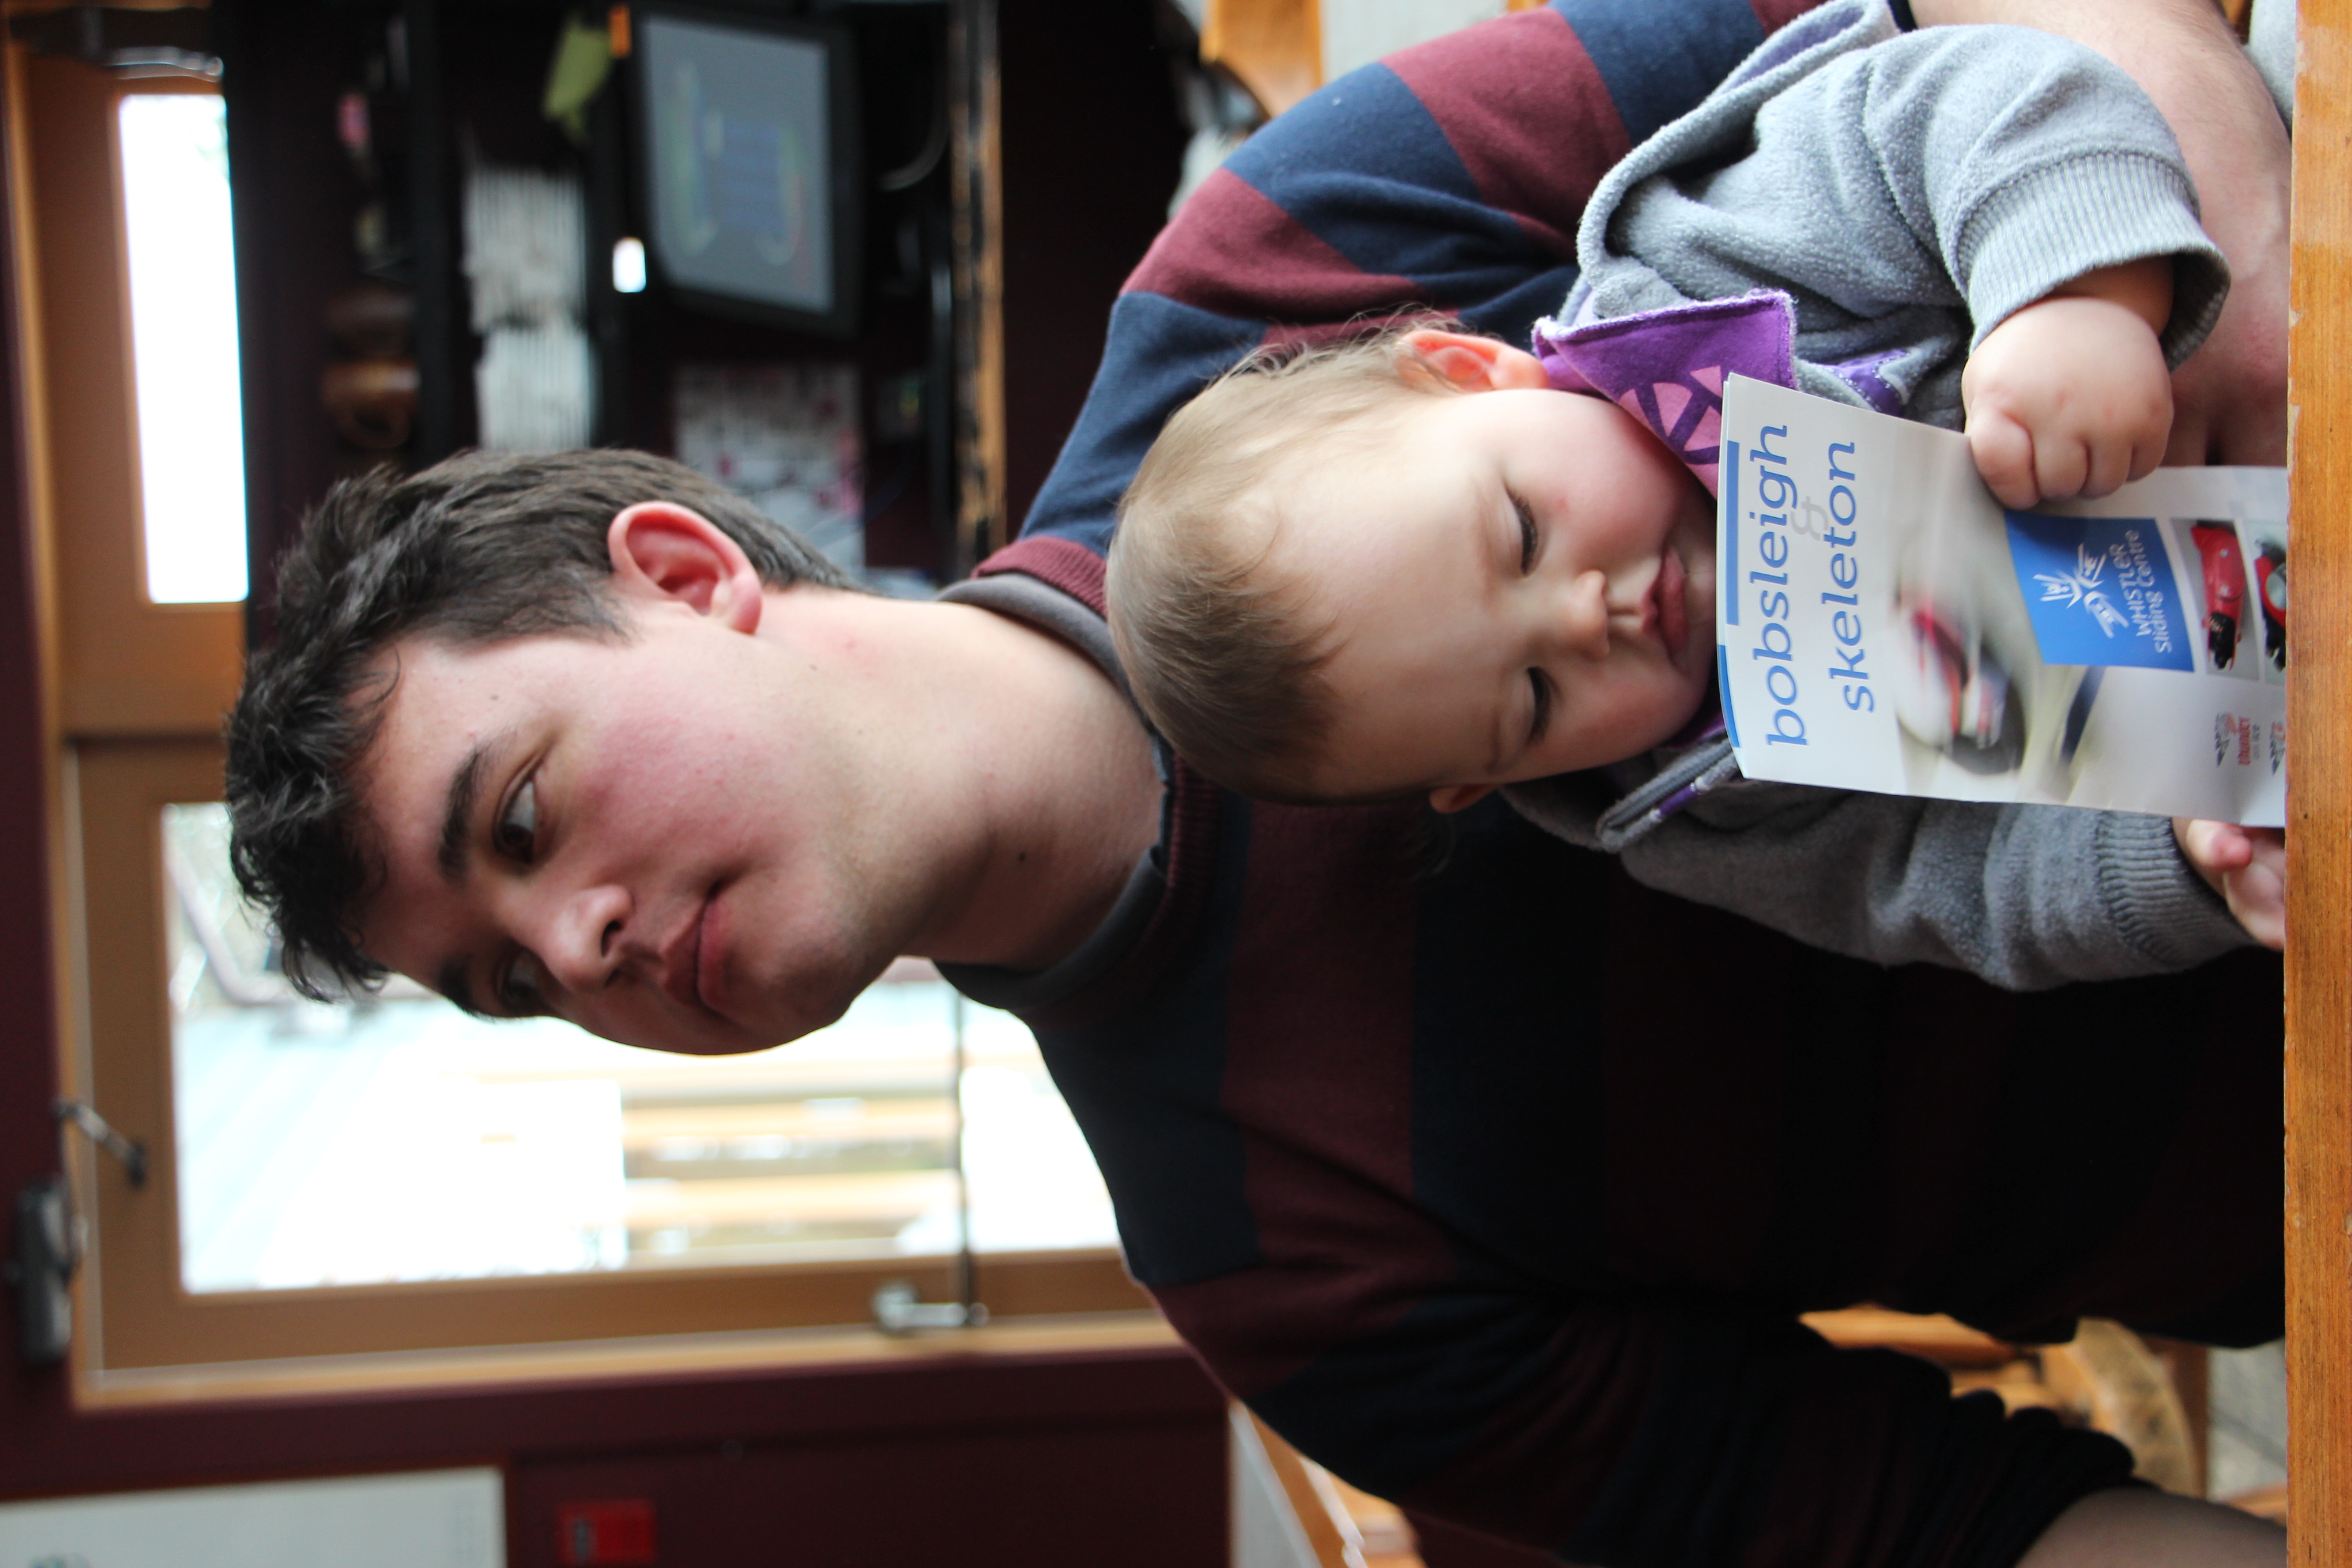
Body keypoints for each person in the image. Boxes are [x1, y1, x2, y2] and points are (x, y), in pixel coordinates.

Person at [222, 1, 2291, 1564]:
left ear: (689, 577)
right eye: (510, 978)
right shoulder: (1272, 1275)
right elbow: (1936, 1531)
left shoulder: (1288, 259)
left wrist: (2244, 322)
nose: (578, 945)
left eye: (520, 821)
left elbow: (1938, 42)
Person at [1104, 2, 2283, 992]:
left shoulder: (1712, 268)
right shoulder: (1722, 810)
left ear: (1471, 372)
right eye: (1533, 697)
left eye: (1523, 535)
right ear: (1492, 779)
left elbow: (1965, 98)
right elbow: (1968, 886)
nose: (1589, 618)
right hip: (2278, 668)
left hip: (2261, 260)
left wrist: (2068, 290)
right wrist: (2185, 856)